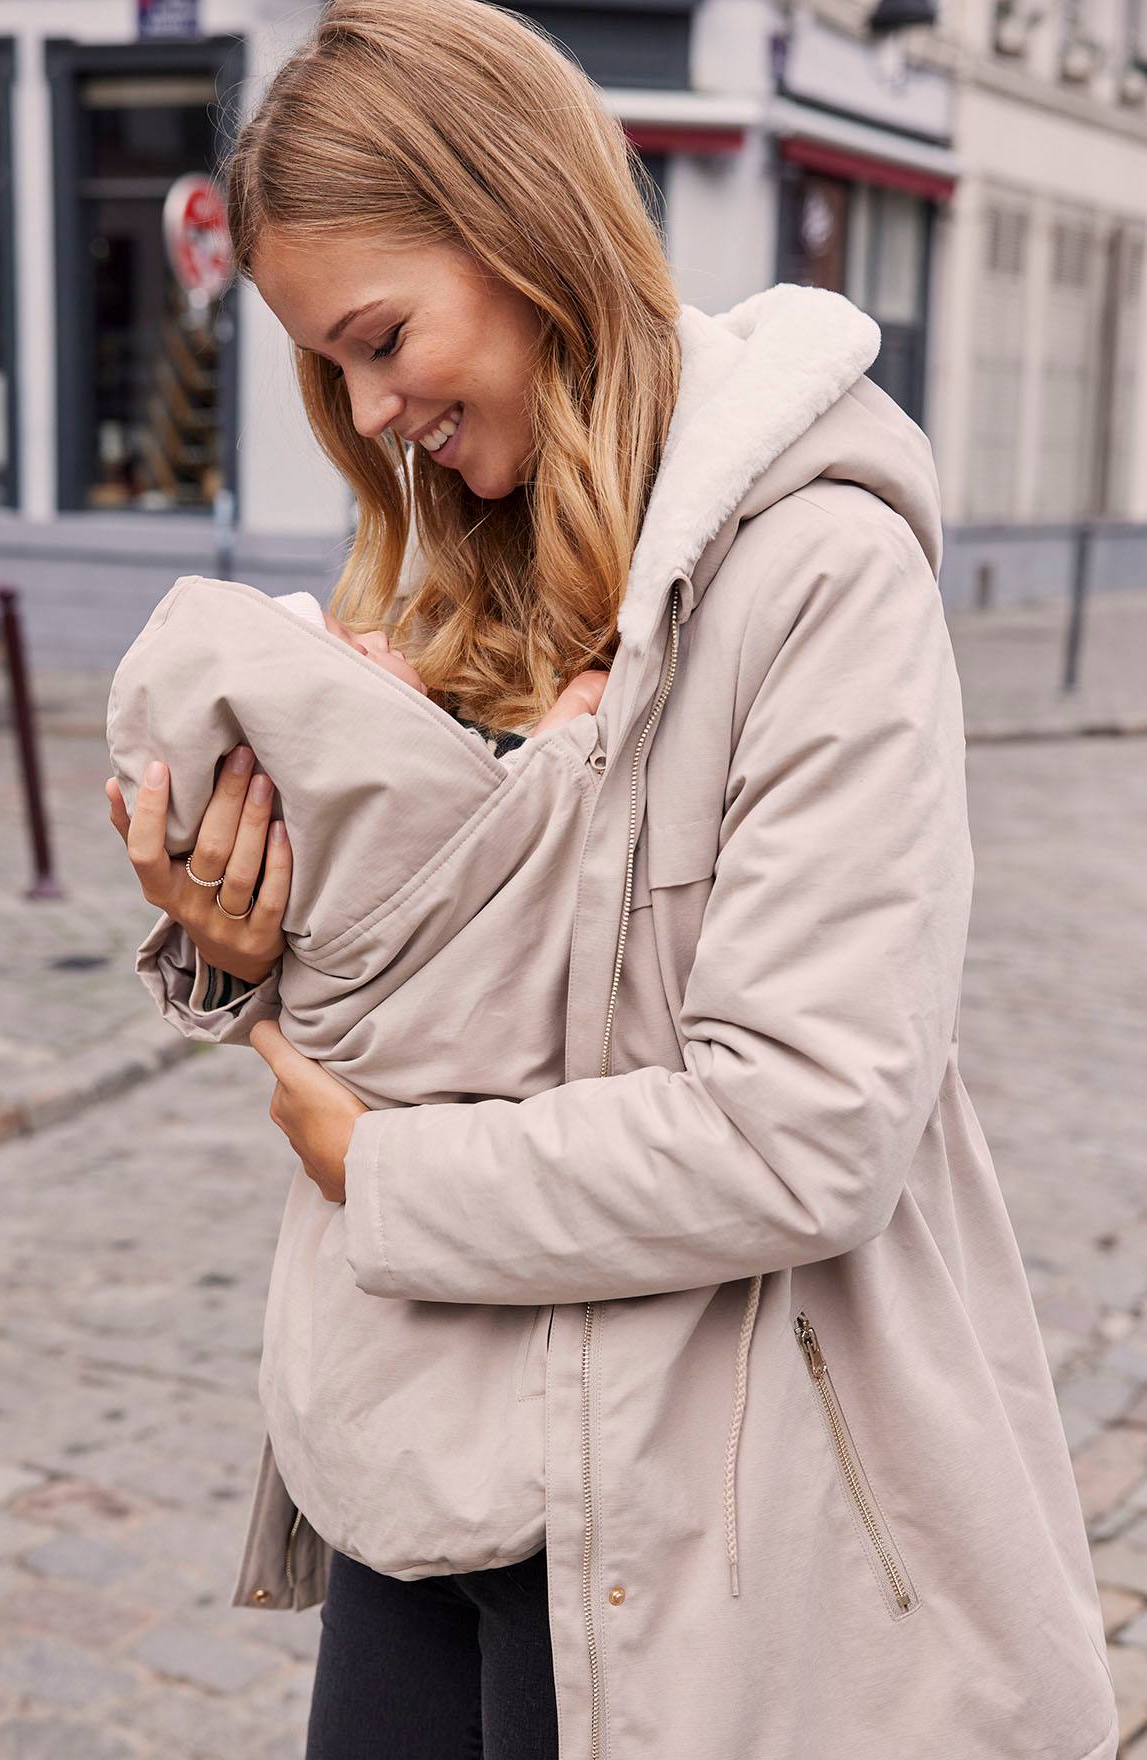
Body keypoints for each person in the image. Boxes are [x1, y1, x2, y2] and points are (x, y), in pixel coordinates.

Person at [103, 1, 1119, 1756]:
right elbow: (473, 1003)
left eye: (384, 337)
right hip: (429, 1465)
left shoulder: (818, 577)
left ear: (519, 231)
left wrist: (386, 1171)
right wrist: (243, 948)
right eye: (327, 368)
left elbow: (808, 1127)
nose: (369, 408)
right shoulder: (455, 583)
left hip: (705, 1501)